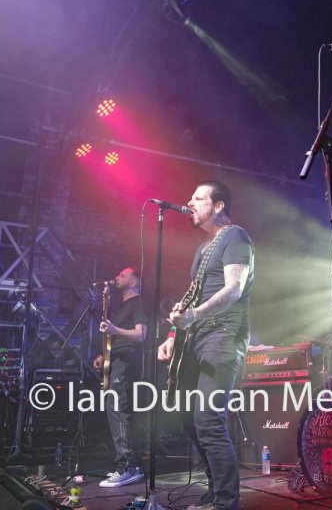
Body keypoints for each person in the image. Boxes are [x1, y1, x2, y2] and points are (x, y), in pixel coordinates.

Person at [158, 180, 254, 510]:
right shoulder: (203, 250)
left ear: (218, 206)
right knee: (188, 416)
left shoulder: (235, 236)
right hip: (195, 338)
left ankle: (226, 503)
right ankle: (215, 493)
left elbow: (234, 288)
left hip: (223, 335)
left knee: (209, 419)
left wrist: (195, 315)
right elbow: (192, 298)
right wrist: (173, 335)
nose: (190, 202)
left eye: (199, 198)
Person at [92, 266, 148, 487]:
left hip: (127, 360)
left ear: (133, 282)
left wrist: (115, 331)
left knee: (117, 407)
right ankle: (131, 466)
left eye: (122, 275)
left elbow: (141, 334)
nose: (116, 277)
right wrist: (103, 354)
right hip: (115, 360)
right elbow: (114, 336)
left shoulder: (138, 302)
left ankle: (128, 467)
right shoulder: (121, 307)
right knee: (115, 408)